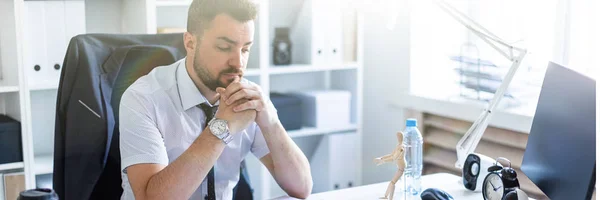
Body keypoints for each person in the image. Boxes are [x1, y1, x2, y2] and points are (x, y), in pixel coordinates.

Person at [118, 0, 313, 199]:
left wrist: (271, 122)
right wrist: (221, 128)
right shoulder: (142, 98)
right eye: (224, 47)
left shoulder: (247, 97)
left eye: (245, 49)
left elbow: (301, 187)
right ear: (190, 42)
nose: (238, 63)